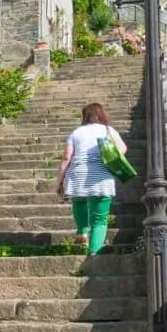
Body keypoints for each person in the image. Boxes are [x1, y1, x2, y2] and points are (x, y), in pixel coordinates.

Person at [56, 102, 119, 255]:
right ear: (102, 114)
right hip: (100, 177)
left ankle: (83, 232)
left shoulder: (76, 132)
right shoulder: (108, 130)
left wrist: (59, 181)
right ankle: (94, 253)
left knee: (79, 201)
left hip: (77, 174)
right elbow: (122, 149)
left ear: (85, 116)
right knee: (99, 219)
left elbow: (66, 158)